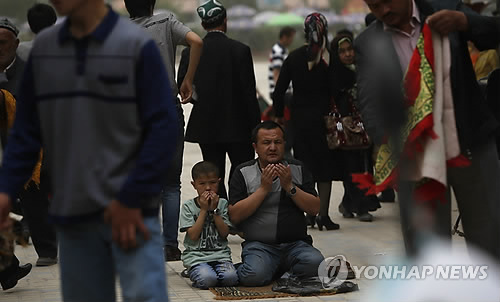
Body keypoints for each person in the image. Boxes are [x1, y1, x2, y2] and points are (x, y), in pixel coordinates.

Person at [0, 0, 178, 301]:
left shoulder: (134, 45)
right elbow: (26, 132)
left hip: (132, 215)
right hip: (74, 215)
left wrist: (131, 196)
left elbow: (163, 130)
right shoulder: (46, 49)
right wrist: (5, 193)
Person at [355, 0, 500, 260]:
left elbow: (493, 34)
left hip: (470, 144)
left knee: (490, 239)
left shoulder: (444, 9)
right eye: (375, 6)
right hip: (415, 155)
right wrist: (391, 146)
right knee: (427, 253)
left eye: (388, 2)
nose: (384, 11)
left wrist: (465, 22)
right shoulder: (368, 43)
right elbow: (369, 102)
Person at [124, 0, 203, 262]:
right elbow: (197, 42)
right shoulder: (166, 22)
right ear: (152, 3)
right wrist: (187, 80)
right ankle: (170, 245)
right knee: (170, 183)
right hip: (167, 109)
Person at [178, 0, 261, 200]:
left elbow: (183, 87)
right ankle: (237, 208)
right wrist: (256, 128)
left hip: (206, 125)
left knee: (213, 173)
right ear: (225, 21)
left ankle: (220, 211)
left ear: (203, 24)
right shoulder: (240, 50)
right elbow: (249, 93)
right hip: (238, 124)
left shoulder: (190, 52)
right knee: (242, 168)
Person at [229, 121, 324, 286]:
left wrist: (290, 187)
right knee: (253, 276)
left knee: (316, 263)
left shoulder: (297, 168)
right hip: (259, 246)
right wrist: (263, 189)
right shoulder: (243, 172)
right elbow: (235, 215)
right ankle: (279, 271)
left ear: (284, 144)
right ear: (255, 147)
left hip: (296, 245)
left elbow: (314, 208)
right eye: (266, 143)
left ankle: (277, 270)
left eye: (277, 142)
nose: (272, 147)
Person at [273, 13, 340, 231]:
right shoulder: (329, 57)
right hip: (324, 121)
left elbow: (280, 90)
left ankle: (307, 214)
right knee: (325, 168)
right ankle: (323, 216)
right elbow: (338, 89)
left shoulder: (293, 57)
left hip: (300, 121)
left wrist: (278, 115)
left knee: (304, 168)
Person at [330, 32, 380, 222]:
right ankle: (361, 207)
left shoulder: (362, 70)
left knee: (364, 165)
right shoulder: (335, 74)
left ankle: (348, 203)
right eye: (342, 51)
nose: (348, 54)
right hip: (347, 128)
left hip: (365, 125)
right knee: (352, 167)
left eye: (350, 49)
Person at [179, 161, 238, 289]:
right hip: (196, 257)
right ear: (194, 185)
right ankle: (192, 271)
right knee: (208, 280)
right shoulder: (188, 207)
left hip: (220, 255)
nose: (207, 188)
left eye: (212, 183)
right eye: (202, 184)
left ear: (219, 182)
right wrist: (204, 210)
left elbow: (224, 233)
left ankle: (209, 271)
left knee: (231, 279)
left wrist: (215, 211)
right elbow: (193, 236)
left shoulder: (222, 204)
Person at [269, 26, 296, 158]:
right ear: (285, 36)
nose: (292, 40)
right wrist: (279, 91)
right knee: (285, 125)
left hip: (282, 94)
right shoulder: (279, 51)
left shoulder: (281, 50)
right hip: (283, 95)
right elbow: (276, 73)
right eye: (291, 37)